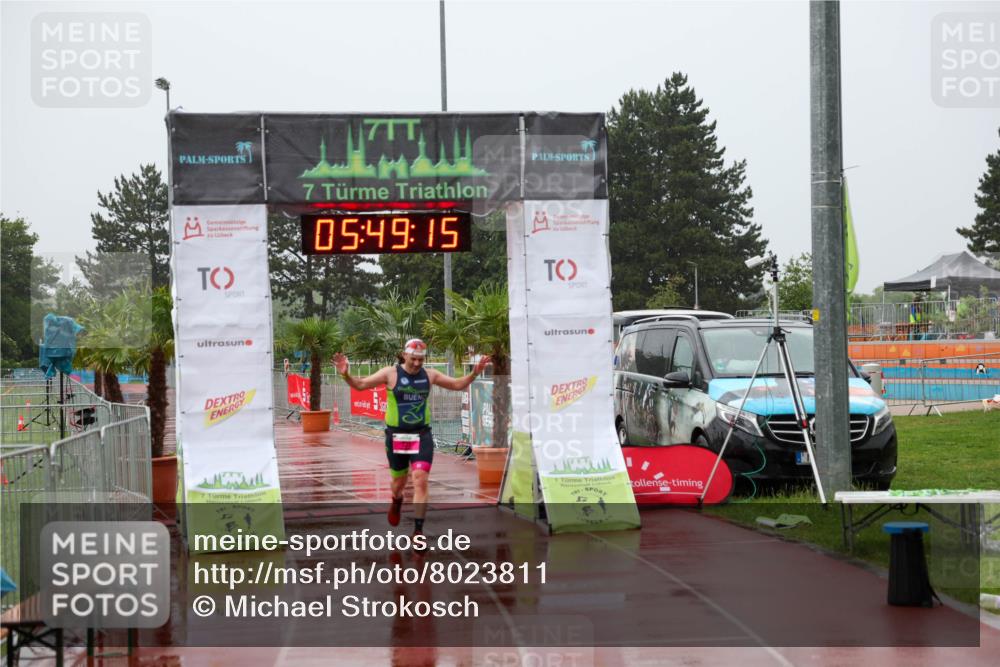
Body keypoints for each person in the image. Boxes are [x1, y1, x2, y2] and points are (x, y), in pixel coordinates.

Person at [332, 340, 491, 538]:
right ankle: (397, 500)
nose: (417, 363)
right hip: (396, 436)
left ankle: (418, 531)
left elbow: (457, 384)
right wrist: (345, 373)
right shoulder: (390, 374)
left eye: (421, 360)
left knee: (420, 479)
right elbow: (361, 385)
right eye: (413, 359)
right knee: (398, 483)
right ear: (404, 355)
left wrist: (474, 372)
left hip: (421, 434)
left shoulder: (430, 375)